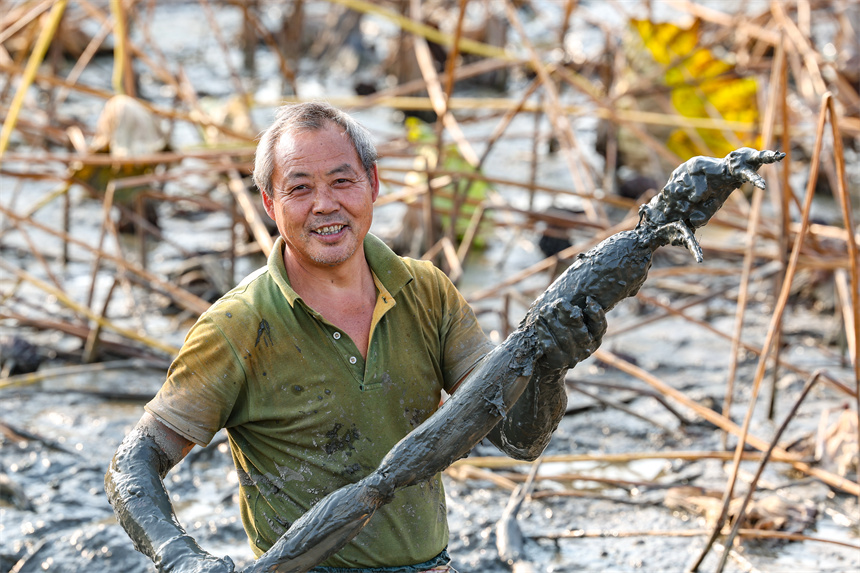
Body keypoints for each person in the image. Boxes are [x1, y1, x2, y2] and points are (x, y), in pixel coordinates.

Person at [105, 102, 606, 573]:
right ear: (269, 203)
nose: (325, 205)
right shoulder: (237, 326)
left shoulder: (426, 292)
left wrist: (551, 370)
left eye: (342, 181)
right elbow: (133, 465)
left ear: (372, 185)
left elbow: (517, 438)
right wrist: (180, 556)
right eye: (299, 189)